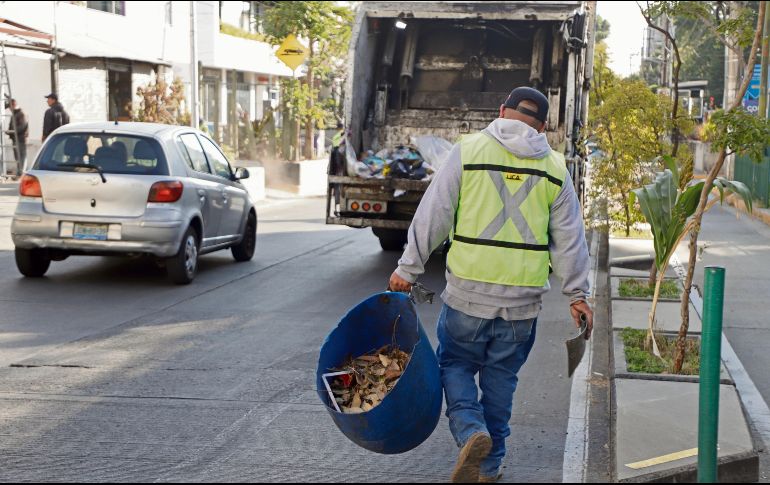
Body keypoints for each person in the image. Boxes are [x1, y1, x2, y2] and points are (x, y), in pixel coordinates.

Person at [388, 87, 593, 483]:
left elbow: (435, 213)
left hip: (467, 296)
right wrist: (577, 294)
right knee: (501, 383)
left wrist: (408, 268)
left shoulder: (468, 151)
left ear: (502, 111)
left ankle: (470, 431)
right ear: (544, 126)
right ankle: (490, 465)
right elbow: (570, 239)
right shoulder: (554, 167)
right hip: (522, 305)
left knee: (455, 365)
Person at [4, 99, 28, 175]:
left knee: (21, 156)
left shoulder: (20, 114)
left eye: (10, 107)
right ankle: (19, 172)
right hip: (16, 138)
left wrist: (12, 131)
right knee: (17, 157)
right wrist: (9, 131)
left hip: (20, 139)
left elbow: (22, 126)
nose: (9, 109)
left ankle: (21, 173)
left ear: (13, 105)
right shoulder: (15, 114)